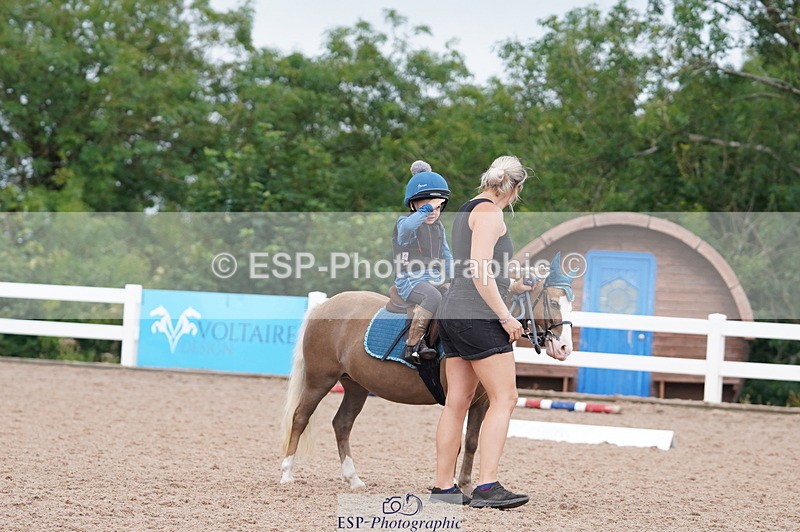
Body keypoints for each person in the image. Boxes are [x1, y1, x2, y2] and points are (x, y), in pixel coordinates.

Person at [431, 155, 536, 508]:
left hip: (453, 311)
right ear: (516, 187)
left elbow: (473, 269)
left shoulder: (467, 209)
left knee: (457, 402)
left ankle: (443, 488)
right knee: (505, 398)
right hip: (478, 315)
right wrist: (506, 316)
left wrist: (514, 286)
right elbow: (479, 271)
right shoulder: (491, 213)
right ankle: (488, 486)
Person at [393, 160, 453, 365]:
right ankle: (413, 344)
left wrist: (458, 278)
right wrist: (428, 208)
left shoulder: (439, 228)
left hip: (434, 278)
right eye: (426, 204)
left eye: (437, 206)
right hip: (410, 279)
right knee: (432, 296)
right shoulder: (404, 224)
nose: (433, 211)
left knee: (454, 294)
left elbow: (447, 256)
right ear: (413, 205)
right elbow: (408, 227)